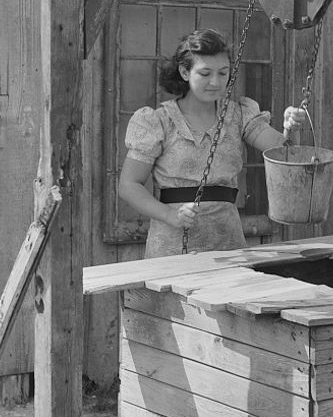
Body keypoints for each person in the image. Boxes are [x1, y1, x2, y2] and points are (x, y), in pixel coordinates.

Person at [118, 28, 307, 258]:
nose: (215, 82)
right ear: (185, 72)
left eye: (223, 73)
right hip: (172, 245)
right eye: (205, 73)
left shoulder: (239, 115)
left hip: (227, 241)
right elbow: (129, 185)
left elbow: (281, 151)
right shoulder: (158, 121)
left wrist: (290, 126)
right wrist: (169, 215)